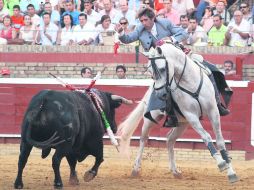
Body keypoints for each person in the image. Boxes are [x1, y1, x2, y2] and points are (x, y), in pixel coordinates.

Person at [115, 7, 231, 127]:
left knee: (209, 69)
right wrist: (121, 32)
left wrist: (171, 38)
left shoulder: (164, 23)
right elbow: (127, 39)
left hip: (178, 58)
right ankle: (171, 115)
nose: (143, 23)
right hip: (160, 66)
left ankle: (217, 104)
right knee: (163, 87)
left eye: (145, 20)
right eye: (141, 20)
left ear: (153, 18)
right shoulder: (140, 29)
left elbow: (183, 33)